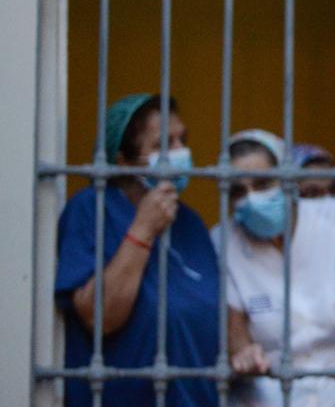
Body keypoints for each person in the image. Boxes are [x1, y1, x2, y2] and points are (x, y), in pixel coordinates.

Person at [55, 93, 219, 407]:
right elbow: (98, 316)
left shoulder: (190, 222)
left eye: (182, 140)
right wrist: (143, 229)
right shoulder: (93, 208)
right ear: (122, 161)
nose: (181, 152)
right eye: (163, 144)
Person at [216, 129, 335, 407]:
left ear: (288, 179)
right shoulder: (223, 240)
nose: (251, 198)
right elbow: (234, 325)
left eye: (262, 184)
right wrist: (245, 353)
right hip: (268, 394)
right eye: (238, 191)